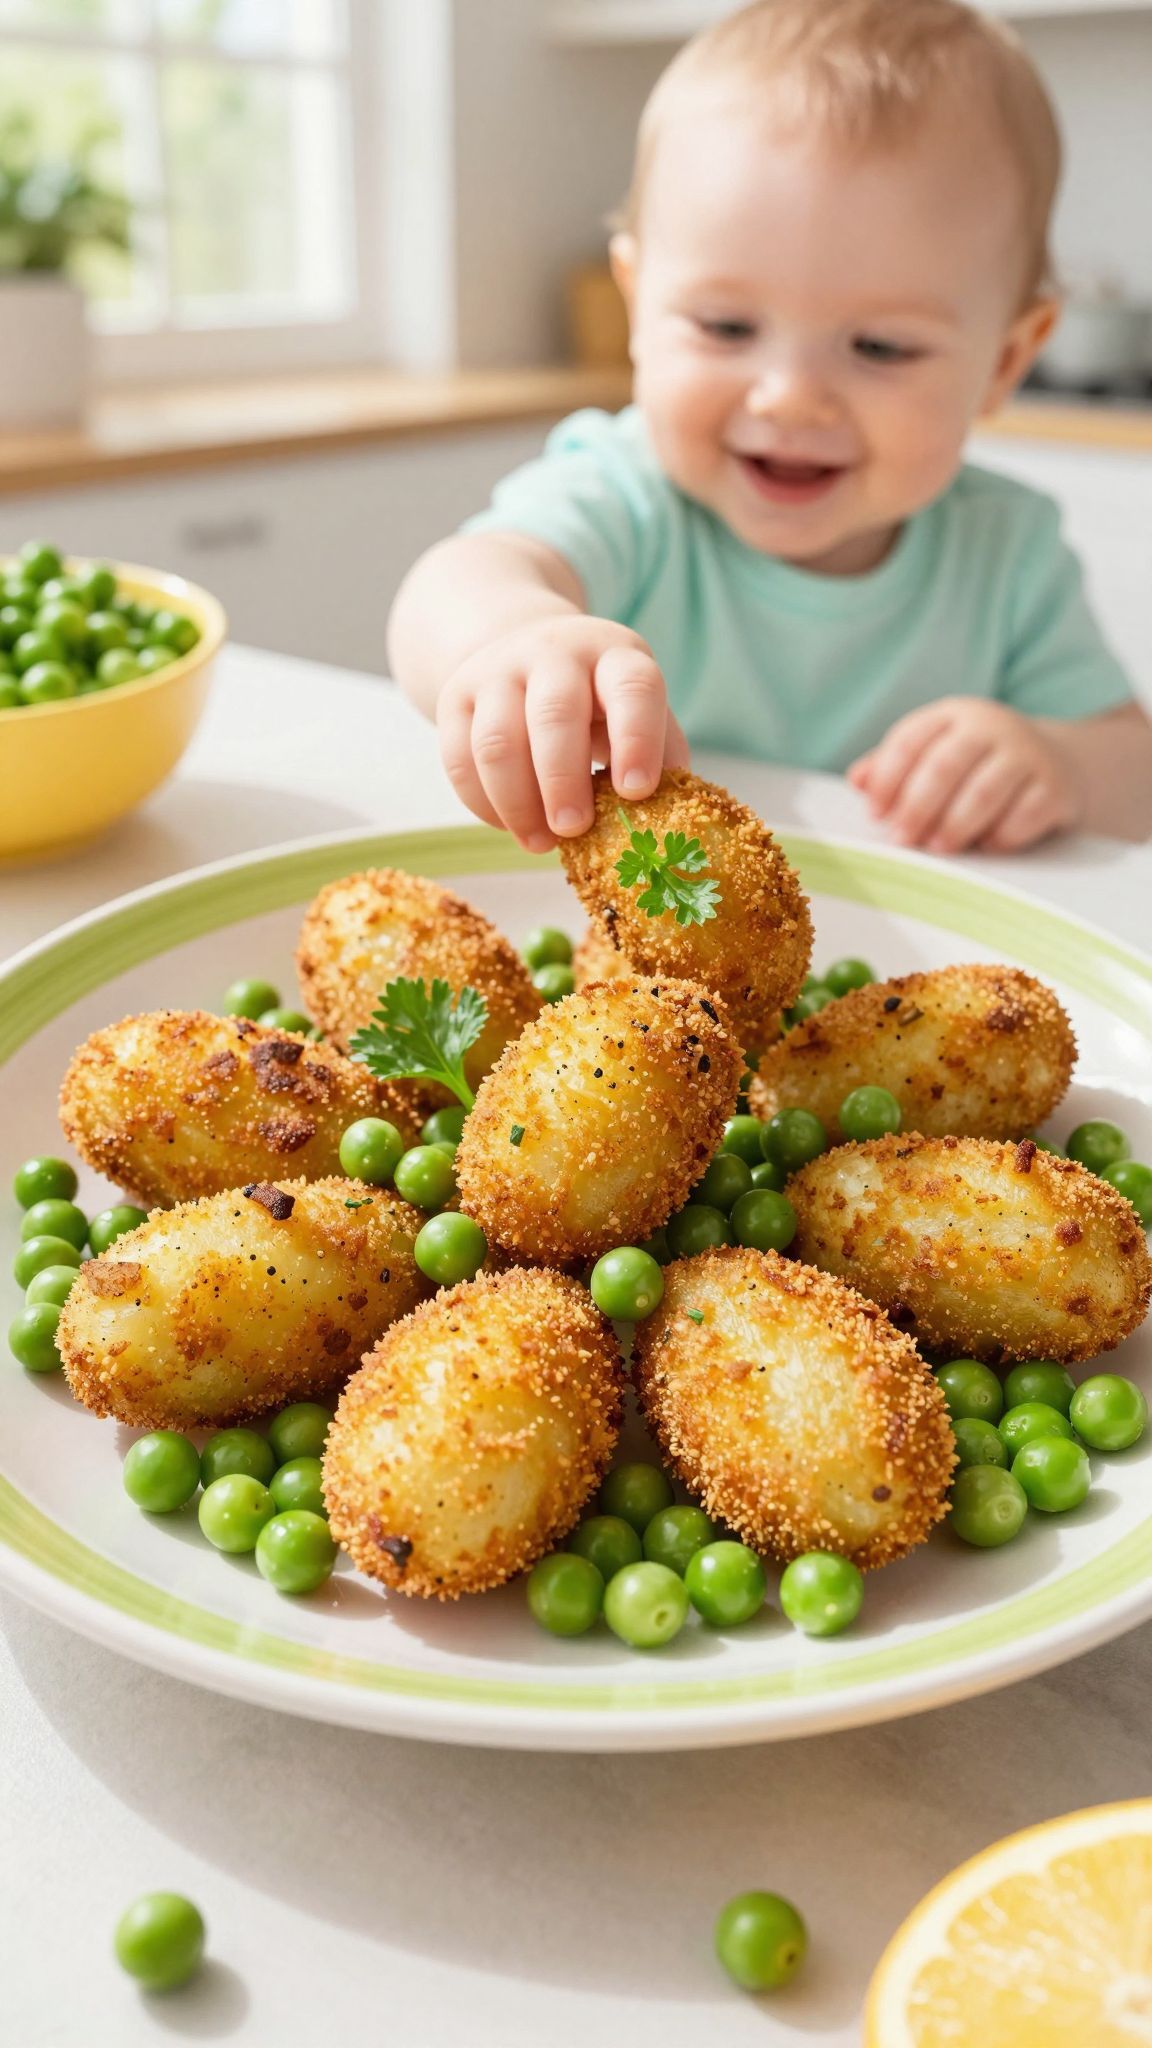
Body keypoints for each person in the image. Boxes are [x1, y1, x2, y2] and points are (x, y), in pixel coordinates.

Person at [389, 0, 1152, 856]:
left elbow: (1138, 775)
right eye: (725, 328)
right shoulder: (627, 494)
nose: (789, 397)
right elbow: (454, 584)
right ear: (639, 307)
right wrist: (515, 640)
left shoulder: (1007, 551)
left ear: (1008, 361)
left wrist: (1063, 766)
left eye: (880, 346)